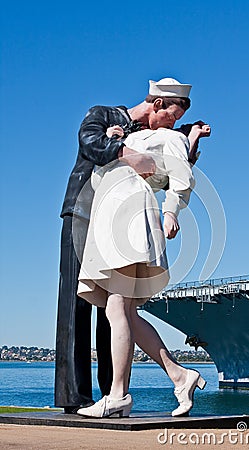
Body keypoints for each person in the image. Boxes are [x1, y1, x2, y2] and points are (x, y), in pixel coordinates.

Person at [55, 77, 208, 413]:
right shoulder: (118, 123)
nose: (174, 124)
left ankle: (119, 394)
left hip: (128, 218)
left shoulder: (166, 136)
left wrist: (171, 211)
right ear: (156, 104)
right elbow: (90, 144)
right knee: (116, 309)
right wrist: (120, 142)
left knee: (117, 307)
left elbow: (177, 175)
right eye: (171, 116)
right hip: (100, 215)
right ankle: (176, 376)